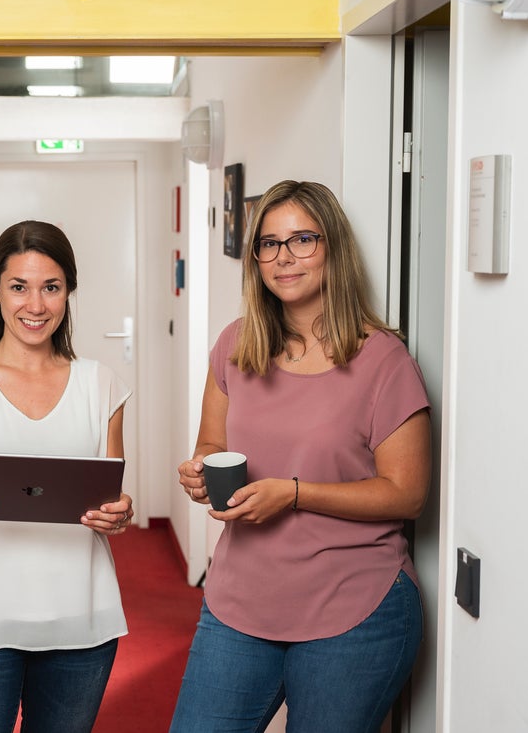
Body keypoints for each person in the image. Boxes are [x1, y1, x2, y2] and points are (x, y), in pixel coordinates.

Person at [170, 180, 431, 733]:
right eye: (268, 243)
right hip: (239, 601)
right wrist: (200, 472)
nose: (283, 257)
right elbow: (211, 445)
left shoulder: (384, 360)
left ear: (333, 247)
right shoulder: (236, 346)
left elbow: (406, 492)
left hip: (355, 607)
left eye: (302, 239)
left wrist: (292, 494)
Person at [0, 220, 134, 733]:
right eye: (18, 287)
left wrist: (118, 515)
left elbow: (112, 503)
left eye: (51, 288)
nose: (35, 305)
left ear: (68, 293)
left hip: (81, 621)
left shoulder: (102, 386)